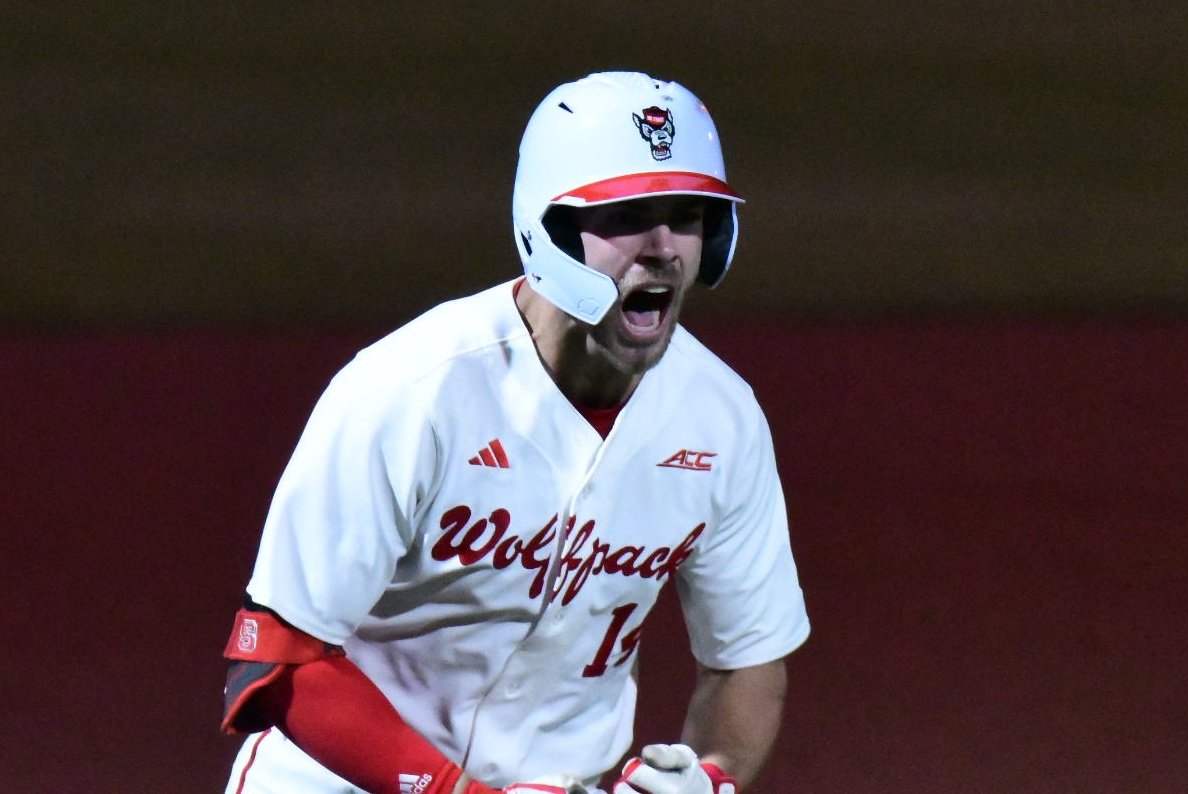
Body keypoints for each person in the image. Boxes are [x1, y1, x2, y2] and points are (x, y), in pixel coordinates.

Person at [220, 70, 810, 794]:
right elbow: (276, 661)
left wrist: (711, 779)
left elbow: (746, 659)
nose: (663, 247)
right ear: (547, 229)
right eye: (626, 216)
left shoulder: (720, 419)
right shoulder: (412, 390)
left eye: (687, 215)